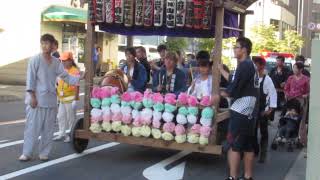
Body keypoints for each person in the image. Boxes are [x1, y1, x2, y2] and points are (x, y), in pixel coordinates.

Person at [19, 34, 81, 161]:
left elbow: (66, 77)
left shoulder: (56, 62)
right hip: (36, 99)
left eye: (47, 43)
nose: (44, 46)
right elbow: (30, 79)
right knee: (32, 128)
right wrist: (32, 96)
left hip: (51, 100)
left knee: (48, 129)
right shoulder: (34, 60)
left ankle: (44, 153)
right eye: (43, 43)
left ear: (53, 45)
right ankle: (27, 153)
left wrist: (80, 77)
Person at [221, 37, 259, 180]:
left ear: (244, 49)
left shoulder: (244, 65)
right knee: (248, 145)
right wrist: (220, 69)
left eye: (236, 47)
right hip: (250, 110)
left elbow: (234, 88)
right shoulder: (250, 65)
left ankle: (233, 177)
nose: (234, 49)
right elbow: (234, 79)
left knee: (234, 145)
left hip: (242, 110)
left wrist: (221, 93)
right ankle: (248, 177)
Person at [252, 56, 277, 163]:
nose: (254, 66)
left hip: (263, 110)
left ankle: (263, 153)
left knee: (263, 132)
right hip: (252, 109)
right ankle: (255, 149)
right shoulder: (252, 77)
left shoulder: (267, 80)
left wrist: (270, 109)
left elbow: (273, 94)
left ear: (261, 66)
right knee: (252, 132)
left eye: (256, 64)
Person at [53, 52, 80, 143]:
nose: (63, 62)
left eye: (65, 60)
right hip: (62, 99)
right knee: (61, 117)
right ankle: (62, 133)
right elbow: (58, 83)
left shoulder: (75, 71)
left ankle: (71, 135)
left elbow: (77, 85)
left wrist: (75, 100)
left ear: (70, 60)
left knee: (71, 119)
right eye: (62, 60)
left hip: (70, 99)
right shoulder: (62, 70)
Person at [284, 62, 310, 146]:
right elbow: (286, 89)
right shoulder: (290, 78)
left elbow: (310, 91)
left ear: (300, 69)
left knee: (302, 121)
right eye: (293, 68)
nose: (293, 69)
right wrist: (286, 95)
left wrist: (306, 95)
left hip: (302, 101)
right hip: (291, 101)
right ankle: (288, 137)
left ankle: (301, 140)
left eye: (295, 68)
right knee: (290, 118)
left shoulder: (306, 79)